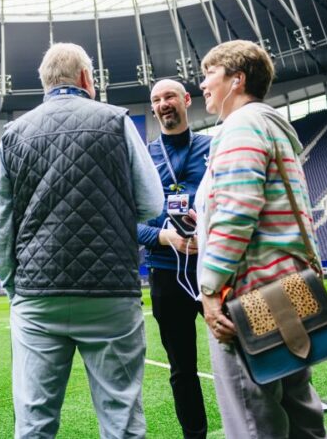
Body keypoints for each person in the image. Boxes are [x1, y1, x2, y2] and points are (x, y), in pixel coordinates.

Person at [0, 42, 164, 439]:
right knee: (121, 419)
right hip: (110, 291)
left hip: (37, 294)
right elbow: (152, 203)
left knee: (34, 422)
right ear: (86, 78)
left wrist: (14, 288)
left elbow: (1, 223)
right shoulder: (116, 121)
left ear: (45, 82)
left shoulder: (13, 134)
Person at [195, 40, 327, 438]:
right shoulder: (272, 127)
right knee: (300, 409)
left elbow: (237, 210)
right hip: (290, 284)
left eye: (209, 74)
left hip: (251, 291)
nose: (203, 84)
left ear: (237, 79)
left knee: (253, 417)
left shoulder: (241, 124)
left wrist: (210, 289)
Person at [137, 79, 211, 439]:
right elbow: (125, 220)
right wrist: (165, 237)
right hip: (166, 274)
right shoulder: (143, 157)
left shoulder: (213, 147)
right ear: (153, 109)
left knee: (245, 349)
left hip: (214, 266)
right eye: (156, 99)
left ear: (186, 100)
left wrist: (207, 233)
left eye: (169, 96)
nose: (163, 103)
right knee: (182, 368)